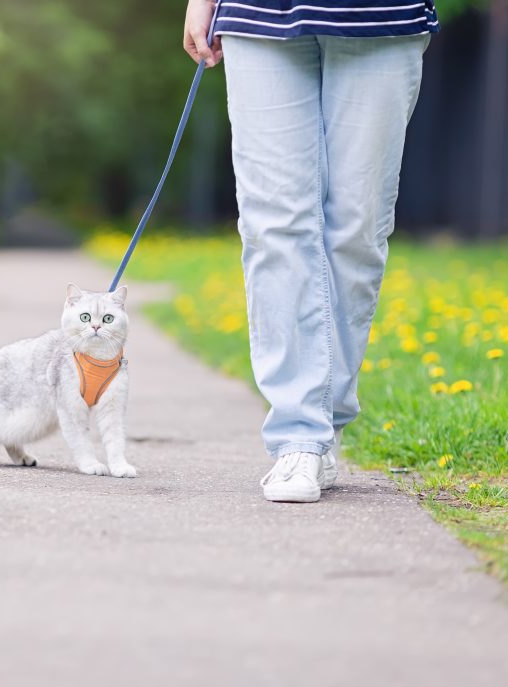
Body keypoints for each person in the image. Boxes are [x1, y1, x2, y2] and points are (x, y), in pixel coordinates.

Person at [183, 0, 439, 503]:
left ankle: (325, 419)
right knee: (273, 223)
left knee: (358, 227)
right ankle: (299, 435)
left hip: (381, 15)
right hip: (256, 14)